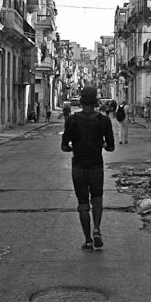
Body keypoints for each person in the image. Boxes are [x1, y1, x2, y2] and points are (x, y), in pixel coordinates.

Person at [62, 86, 115, 251]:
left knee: (83, 203)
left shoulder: (71, 120)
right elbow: (111, 147)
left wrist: (72, 148)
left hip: (78, 166)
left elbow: (64, 146)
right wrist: (103, 144)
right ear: (96, 102)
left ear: (81, 101)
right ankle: (97, 229)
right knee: (97, 198)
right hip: (96, 166)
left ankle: (88, 240)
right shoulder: (104, 120)